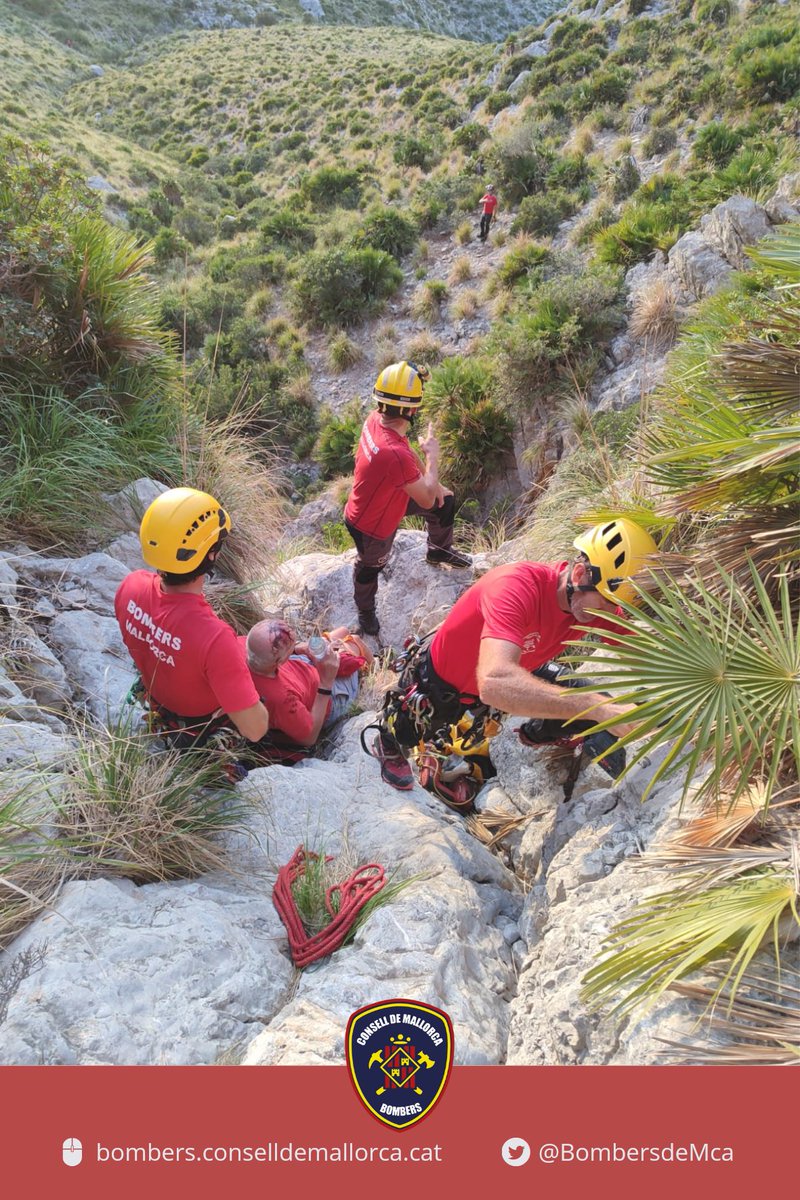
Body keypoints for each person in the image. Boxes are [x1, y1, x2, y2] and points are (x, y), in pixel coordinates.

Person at [365, 518, 658, 796]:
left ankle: (535, 733)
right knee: (406, 730)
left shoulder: (592, 600)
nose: (610, 613)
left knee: (584, 693)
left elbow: (643, 655)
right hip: (444, 681)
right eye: (607, 602)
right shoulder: (515, 587)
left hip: (515, 664)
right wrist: (597, 707)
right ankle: (388, 740)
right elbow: (494, 683)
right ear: (580, 575)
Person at [114, 487, 269, 749]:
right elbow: (255, 729)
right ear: (210, 554)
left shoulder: (129, 587)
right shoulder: (215, 638)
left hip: (158, 698)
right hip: (199, 727)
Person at [344, 360, 471, 637]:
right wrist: (432, 456)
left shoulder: (375, 419)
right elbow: (423, 498)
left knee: (444, 499)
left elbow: (403, 456)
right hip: (371, 525)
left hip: (384, 497)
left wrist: (428, 478)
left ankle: (439, 551)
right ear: (412, 409)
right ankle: (365, 612)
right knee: (370, 568)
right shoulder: (393, 454)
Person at [242, 621, 367, 753]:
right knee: (354, 643)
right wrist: (326, 682)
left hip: (302, 666)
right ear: (278, 661)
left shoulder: (245, 648)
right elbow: (309, 737)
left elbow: (274, 651)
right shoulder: (282, 700)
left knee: (341, 631)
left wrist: (298, 648)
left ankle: (340, 642)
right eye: (290, 647)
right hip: (328, 698)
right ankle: (375, 662)